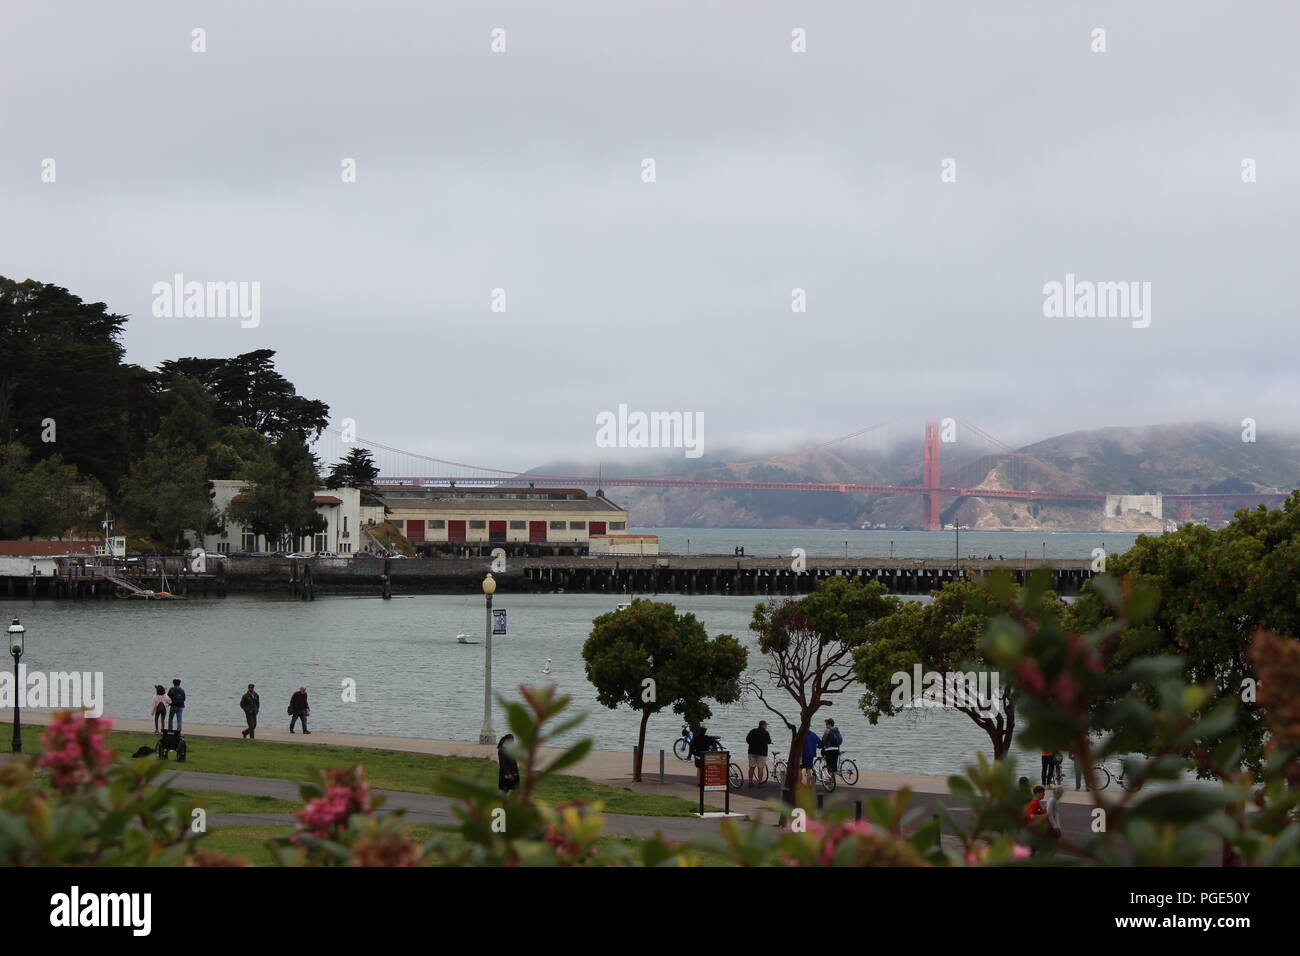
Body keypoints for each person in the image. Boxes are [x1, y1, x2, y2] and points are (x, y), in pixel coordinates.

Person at [745, 720, 772, 788]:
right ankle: (759, 783)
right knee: (760, 768)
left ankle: (750, 782)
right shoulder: (765, 733)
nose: (766, 727)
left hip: (751, 751)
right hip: (762, 753)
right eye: (766, 725)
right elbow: (769, 741)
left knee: (751, 767)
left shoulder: (753, 731)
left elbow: (747, 739)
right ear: (763, 725)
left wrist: (752, 744)